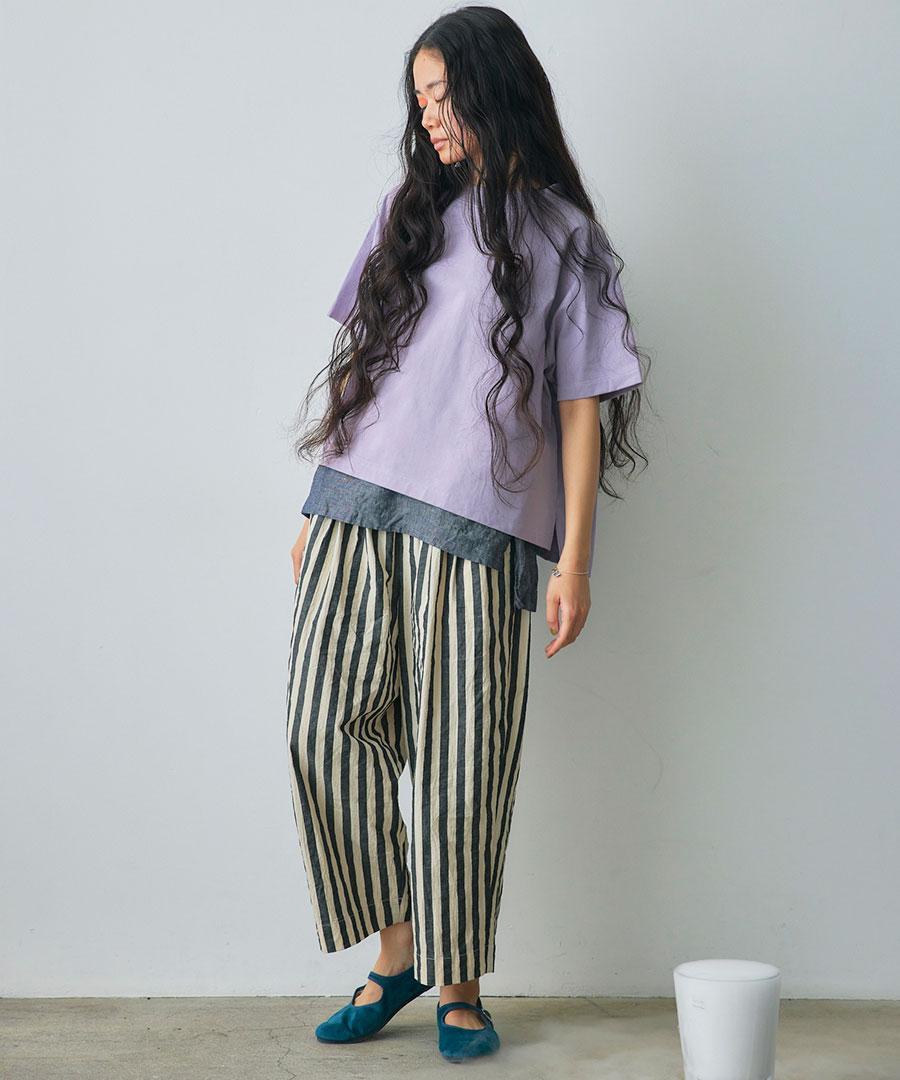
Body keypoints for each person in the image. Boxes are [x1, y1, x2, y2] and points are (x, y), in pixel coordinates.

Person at [285, 5, 649, 1063]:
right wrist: (314, 502)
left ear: (494, 90)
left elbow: (580, 406)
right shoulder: (408, 211)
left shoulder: (564, 237)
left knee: (461, 765)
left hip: (480, 529)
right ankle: (398, 950)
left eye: (445, 96)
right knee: (320, 731)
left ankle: (458, 987)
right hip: (355, 506)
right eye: (421, 100)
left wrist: (575, 560)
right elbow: (366, 370)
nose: (431, 118)